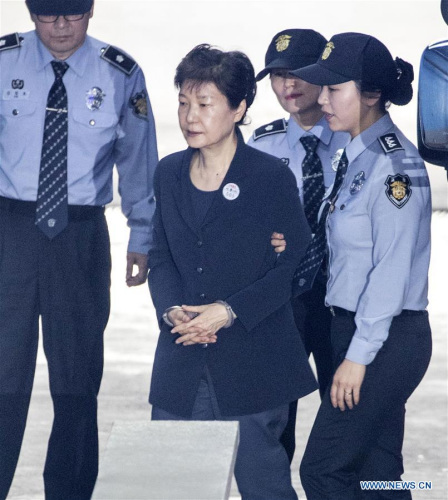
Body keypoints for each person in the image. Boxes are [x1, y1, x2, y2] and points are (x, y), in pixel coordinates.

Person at [0, 0, 158, 498]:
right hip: (9, 231)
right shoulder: (2, 61)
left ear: (90, 12)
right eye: (49, 16)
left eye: (72, 14)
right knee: (2, 378)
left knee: (77, 381)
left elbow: (138, 158)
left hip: (81, 235)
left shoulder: (120, 72)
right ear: (30, 14)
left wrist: (142, 233)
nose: (62, 26)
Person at [147, 44, 317, 500]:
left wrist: (229, 311)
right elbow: (160, 256)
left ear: (239, 108)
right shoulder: (168, 173)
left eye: (205, 104)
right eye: (184, 102)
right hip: (181, 360)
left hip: (253, 361)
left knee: (263, 487)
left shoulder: (269, 177)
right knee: (175, 487)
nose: (190, 116)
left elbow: (294, 264)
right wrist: (170, 311)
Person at [286, 33, 432, 499]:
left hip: (382, 338)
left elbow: (391, 270)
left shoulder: (393, 167)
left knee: (324, 471)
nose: (321, 99)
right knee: (377, 476)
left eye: (334, 89)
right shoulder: (358, 154)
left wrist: (357, 356)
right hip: (358, 331)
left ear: (370, 95)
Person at [248, 28, 349, 463]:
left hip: (341, 298)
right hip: (283, 298)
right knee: (273, 418)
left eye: (299, 74)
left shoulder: (355, 140)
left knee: (345, 413)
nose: (288, 85)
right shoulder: (261, 144)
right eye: (277, 75)